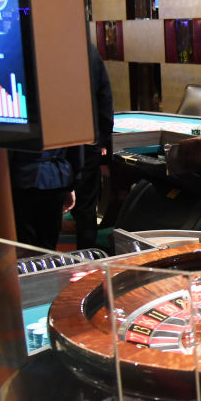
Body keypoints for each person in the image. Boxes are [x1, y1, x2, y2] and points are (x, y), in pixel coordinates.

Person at [71, 42, 114, 250]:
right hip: (86, 143)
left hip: (52, 147)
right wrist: (101, 138)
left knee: (43, 210)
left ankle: (41, 265)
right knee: (86, 208)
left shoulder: (42, 47)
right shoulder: (88, 50)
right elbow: (105, 97)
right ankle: (85, 259)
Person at [8, 145, 83, 252]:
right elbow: (76, 150)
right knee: (48, 243)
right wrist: (72, 184)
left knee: (25, 242)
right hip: (56, 177)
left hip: (22, 177)